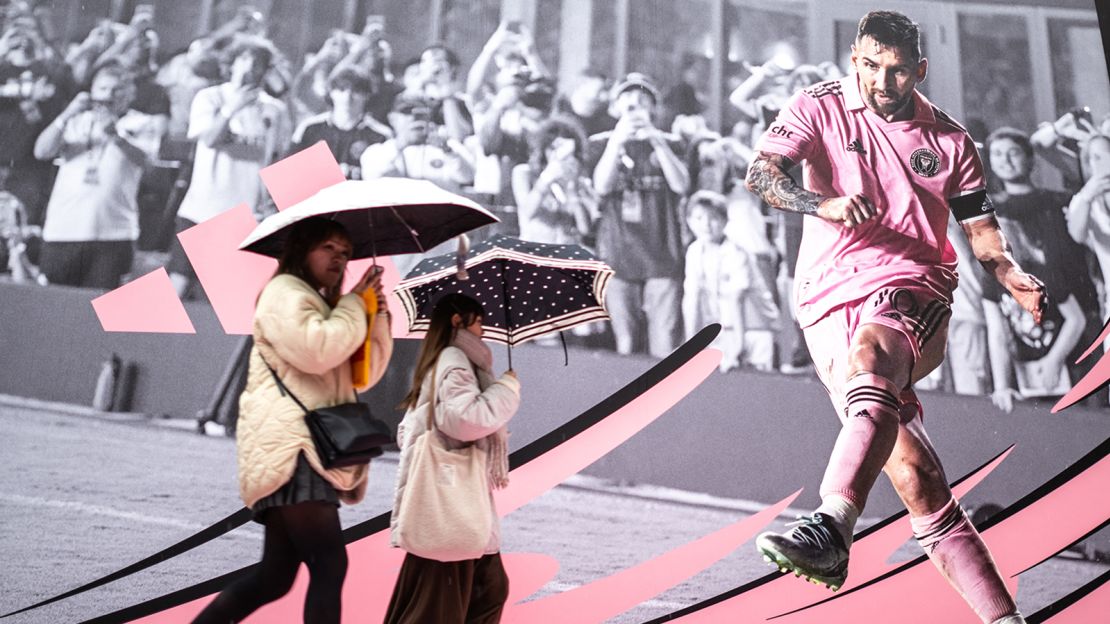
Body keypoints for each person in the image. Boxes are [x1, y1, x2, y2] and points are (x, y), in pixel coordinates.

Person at [745, 12, 1041, 624]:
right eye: (873, 65)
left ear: (919, 70)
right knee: (915, 474)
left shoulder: (952, 141)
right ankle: (1005, 620)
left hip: (916, 286)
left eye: (899, 69)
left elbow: (981, 234)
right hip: (825, 299)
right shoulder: (817, 106)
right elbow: (761, 173)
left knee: (874, 357)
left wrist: (1010, 275)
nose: (884, 80)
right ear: (855, 58)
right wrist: (820, 203)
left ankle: (830, 526)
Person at [192, 217, 393, 624]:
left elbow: (361, 375)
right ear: (303, 249)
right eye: (329, 248)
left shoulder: (321, 302)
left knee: (275, 577)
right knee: (329, 564)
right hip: (293, 446)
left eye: (345, 253)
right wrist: (354, 304)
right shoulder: (285, 292)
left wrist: (376, 317)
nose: (339, 258)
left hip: (306, 445)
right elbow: (317, 350)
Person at [386, 293, 520, 624]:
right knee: (448, 602)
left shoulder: (453, 359)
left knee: (485, 588)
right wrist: (506, 389)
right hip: (451, 501)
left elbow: (414, 427)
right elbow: (464, 420)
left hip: (452, 500)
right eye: (477, 321)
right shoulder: (455, 360)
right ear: (457, 322)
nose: (482, 330)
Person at [169, 37, 292, 298]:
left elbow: (278, 159)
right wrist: (232, 108)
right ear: (233, 63)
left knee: (229, 298)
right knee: (177, 287)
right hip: (200, 210)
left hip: (244, 216)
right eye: (245, 59)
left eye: (258, 64)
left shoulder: (275, 110)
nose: (250, 67)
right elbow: (210, 139)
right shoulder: (210, 97)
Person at [33, 63, 162, 289]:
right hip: (64, 229)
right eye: (103, 89)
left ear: (130, 93)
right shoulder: (75, 120)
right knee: (52, 305)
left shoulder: (142, 123)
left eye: (117, 89)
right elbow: (42, 152)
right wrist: (67, 114)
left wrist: (115, 134)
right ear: (92, 90)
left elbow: (147, 163)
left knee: (100, 311)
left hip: (113, 233)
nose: (109, 95)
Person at [590, 72, 688, 358]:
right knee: (626, 343)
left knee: (664, 344)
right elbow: (601, 185)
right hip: (618, 254)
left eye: (643, 100)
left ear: (653, 108)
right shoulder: (601, 142)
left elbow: (681, 185)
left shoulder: (672, 142)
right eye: (628, 100)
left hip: (663, 254)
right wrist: (617, 142)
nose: (635, 105)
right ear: (616, 108)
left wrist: (657, 141)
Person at [682, 190, 777, 372]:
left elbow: (736, 300)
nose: (706, 225)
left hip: (754, 330)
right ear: (689, 221)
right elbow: (691, 300)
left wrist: (737, 348)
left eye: (713, 218)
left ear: (725, 221)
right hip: (722, 330)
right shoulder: (694, 252)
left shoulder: (737, 253)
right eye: (699, 218)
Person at [511, 116, 598, 247]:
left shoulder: (579, 182)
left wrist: (572, 190)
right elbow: (527, 211)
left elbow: (584, 228)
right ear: (543, 148)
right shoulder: (525, 173)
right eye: (553, 148)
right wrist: (547, 178)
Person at [290, 67, 391, 180]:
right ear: (331, 92)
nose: (348, 97)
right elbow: (287, 177)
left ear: (367, 96)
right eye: (342, 89)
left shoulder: (381, 135)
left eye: (356, 91)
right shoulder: (310, 128)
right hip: (317, 197)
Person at [1068, 133, 1110, 321]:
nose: (1098, 162)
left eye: (1105, 154)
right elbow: (1077, 234)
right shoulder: (1084, 201)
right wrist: (1088, 196)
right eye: (1093, 157)